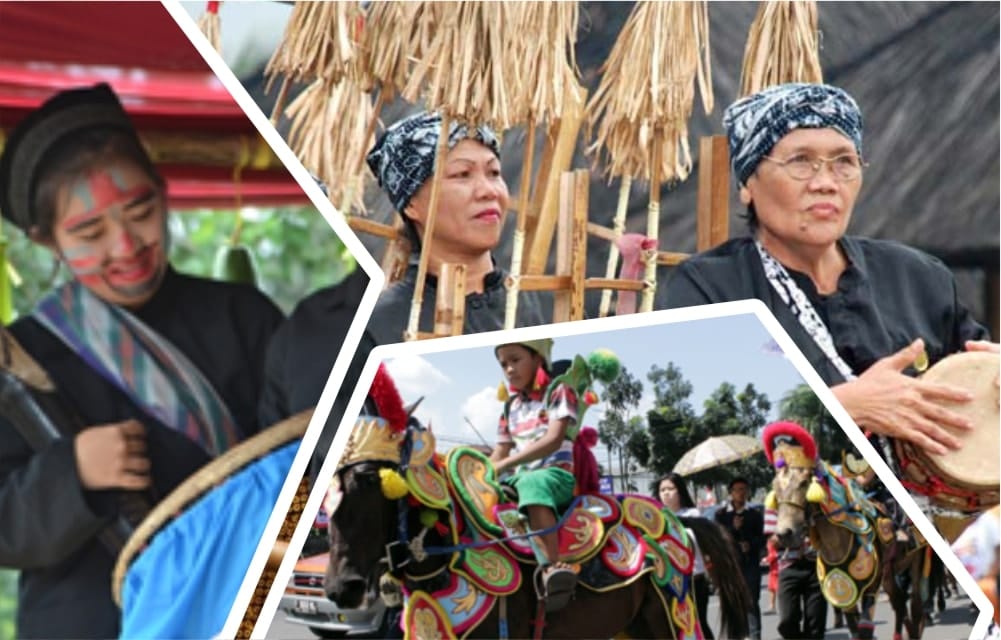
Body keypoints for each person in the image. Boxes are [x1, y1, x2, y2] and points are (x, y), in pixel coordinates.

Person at [0, 84, 284, 638]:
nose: (126, 245)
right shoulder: (20, 359)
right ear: (46, 241)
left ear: (163, 192)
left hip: (240, 602)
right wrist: (72, 473)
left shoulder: (242, 316)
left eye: (141, 211)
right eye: (89, 232)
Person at [664, 82, 997, 462]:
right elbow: (688, 434)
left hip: (927, 519)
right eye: (800, 161)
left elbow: (977, 403)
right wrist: (843, 406)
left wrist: (991, 381)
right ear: (748, 184)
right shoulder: (710, 289)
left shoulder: (919, 277)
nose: (825, 183)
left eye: (844, 162)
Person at [365, 111, 547, 344]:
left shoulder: (546, 304)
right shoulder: (380, 326)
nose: (489, 191)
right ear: (411, 204)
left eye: (493, 173)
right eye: (463, 174)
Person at [490, 339, 579, 612]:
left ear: (538, 358)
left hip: (554, 476)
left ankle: (550, 568)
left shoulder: (559, 391)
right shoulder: (509, 407)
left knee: (532, 481)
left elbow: (553, 439)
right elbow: (499, 451)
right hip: (518, 479)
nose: (509, 369)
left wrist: (506, 464)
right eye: (503, 363)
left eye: (515, 360)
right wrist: (477, 471)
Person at [657, 472, 714, 639]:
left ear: (680, 491)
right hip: (668, 581)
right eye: (662, 490)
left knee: (698, 623)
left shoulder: (693, 515)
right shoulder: (656, 517)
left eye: (670, 488)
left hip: (694, 580)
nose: (666, 493)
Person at [715, 477, 765, 640]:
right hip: (731, 566)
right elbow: (718, 539)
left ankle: (755, 634)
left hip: (750, 564)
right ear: (731, 493)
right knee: (733, 602)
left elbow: (762, 538)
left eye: (744, 489)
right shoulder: (721, 515)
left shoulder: (754, 515)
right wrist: (733, 528)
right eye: (738, 490)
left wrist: (751, 544)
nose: (741, 493)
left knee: (751, 601)